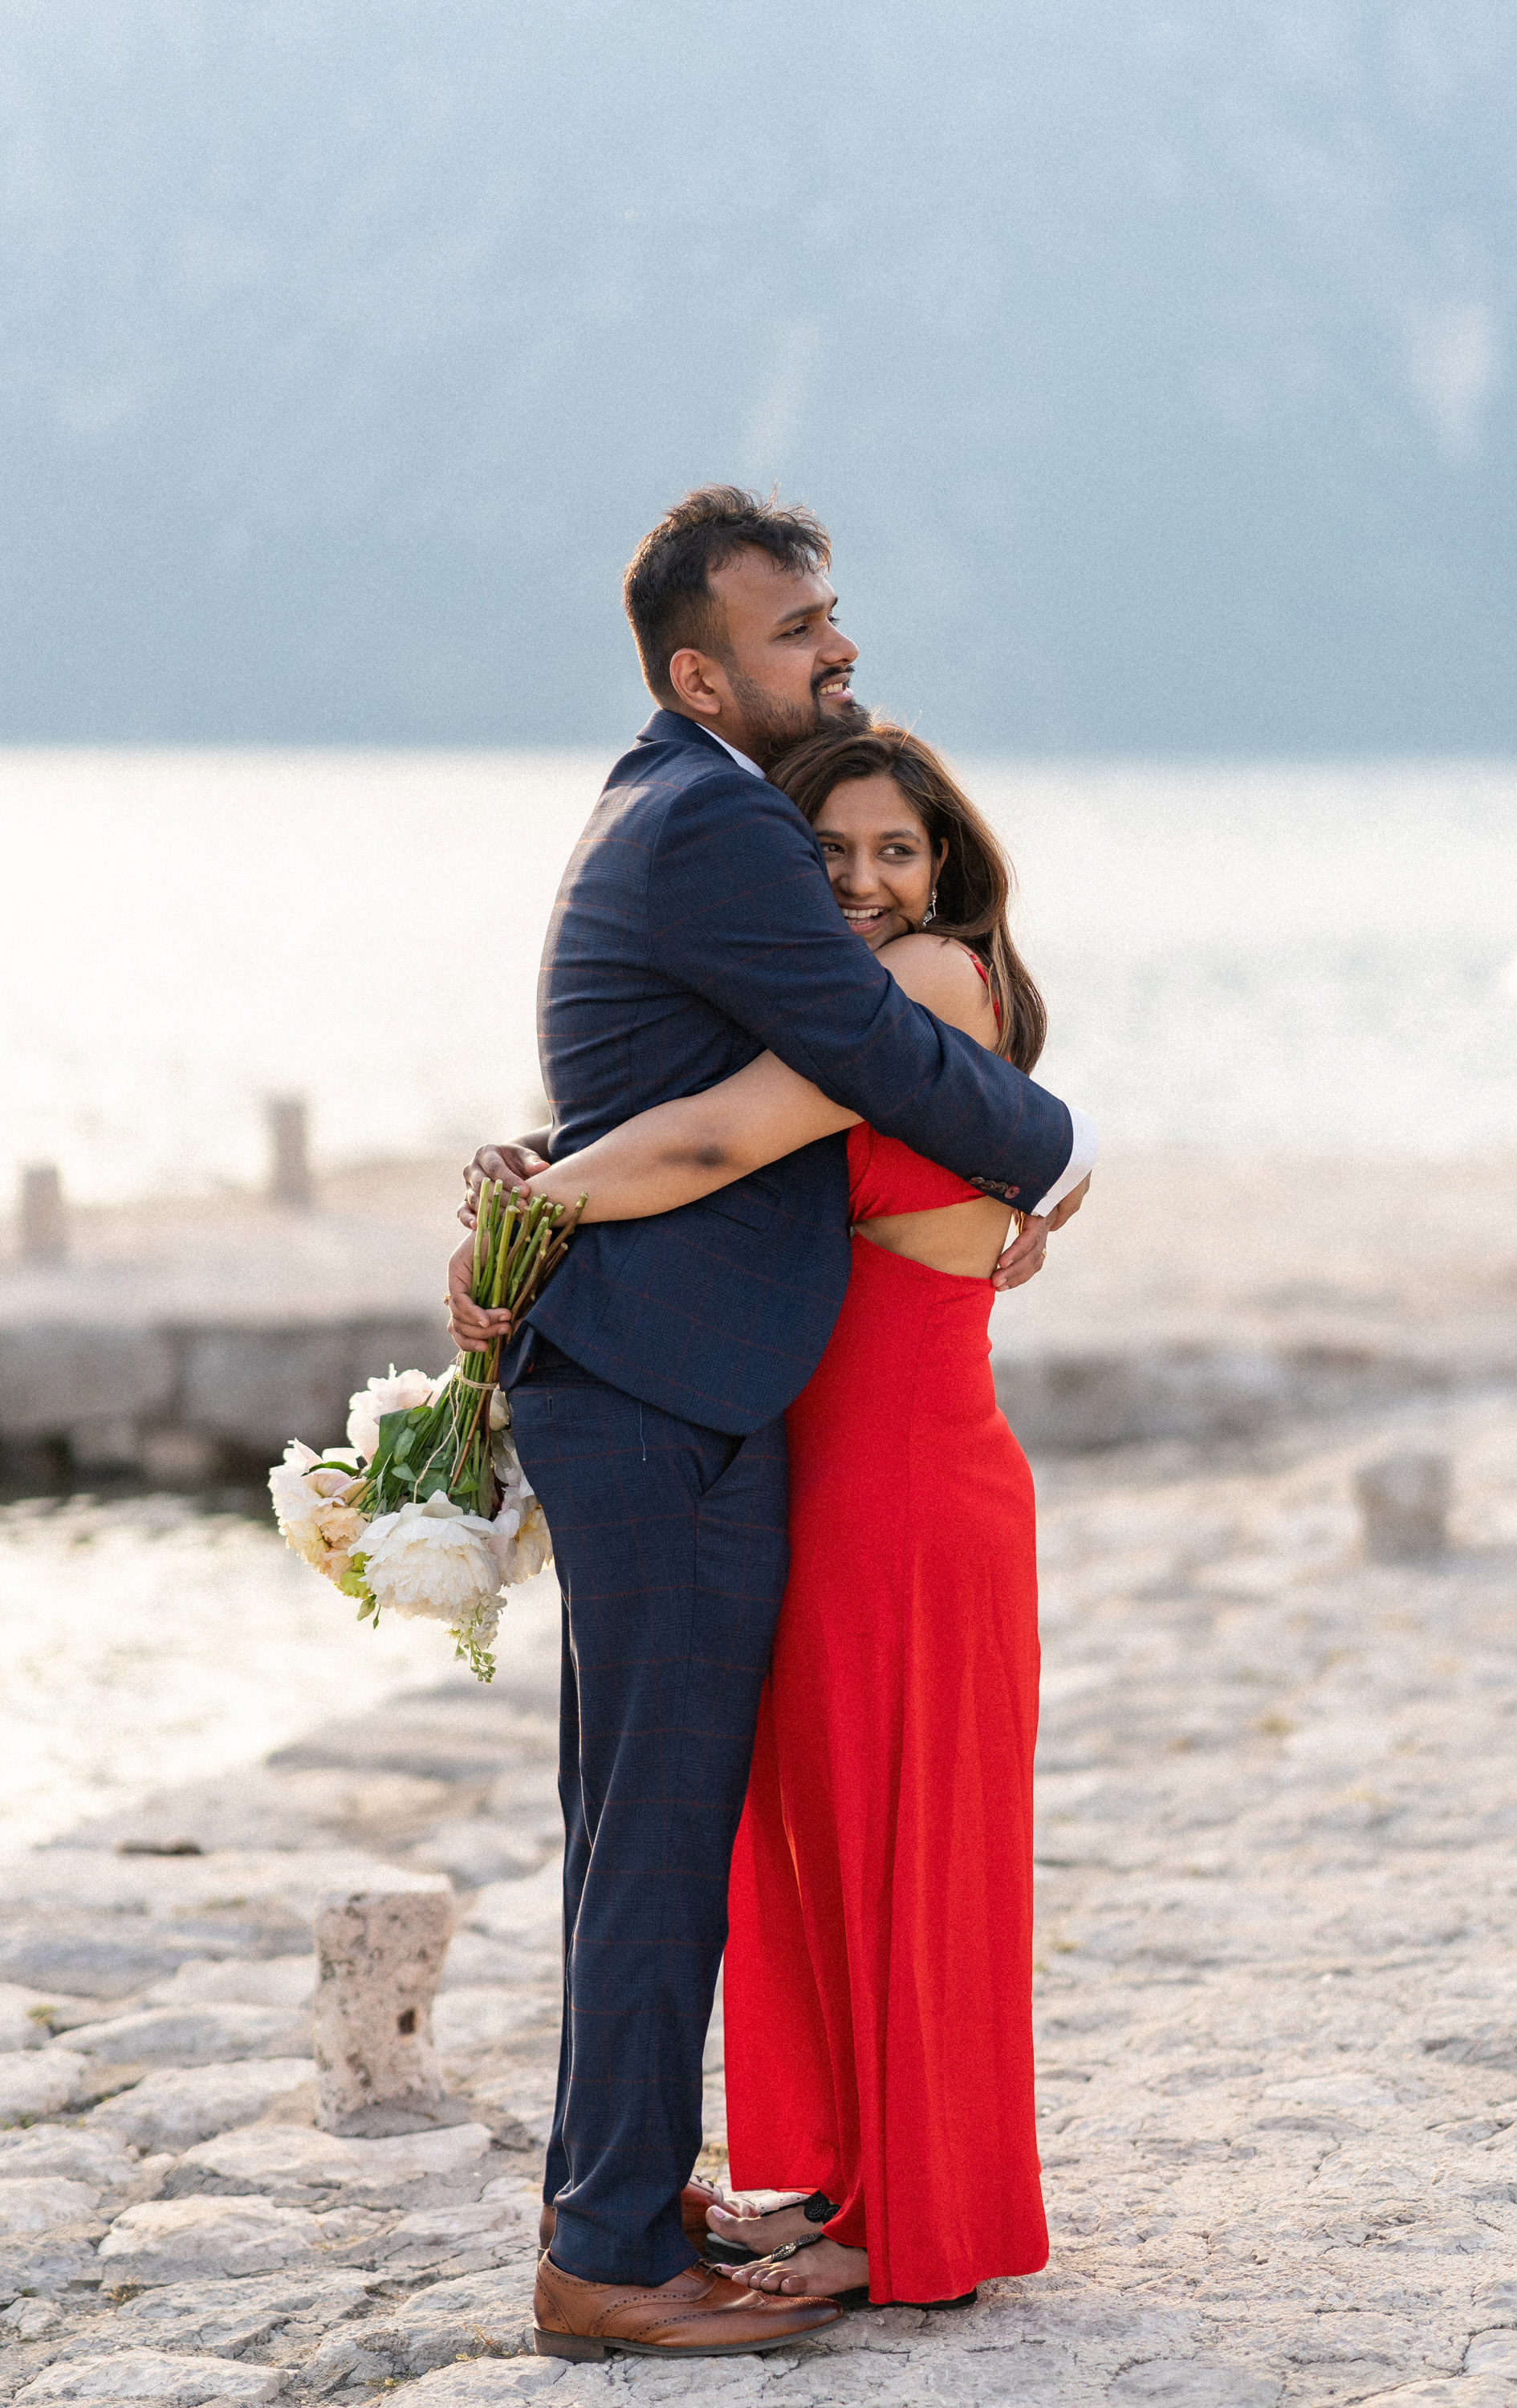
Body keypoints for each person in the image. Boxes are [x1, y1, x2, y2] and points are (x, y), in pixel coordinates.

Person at [453, 486, 1089, 2364]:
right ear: (698, 671)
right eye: (802, 625)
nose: (840, 645)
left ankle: (628, 2206)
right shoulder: (721, 822)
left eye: (835, 614)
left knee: (640, 1830)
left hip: (696, 1395)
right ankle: (609, 2254)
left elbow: (711, 1092)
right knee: (658, 1835)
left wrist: (540, 1195)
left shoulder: (669, 803)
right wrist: (1036, 1141)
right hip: (679, 1401)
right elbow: (832, 1078)